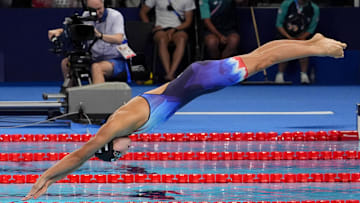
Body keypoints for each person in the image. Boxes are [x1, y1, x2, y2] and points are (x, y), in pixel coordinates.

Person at [23, 33, 346, 200]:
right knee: (260, 57)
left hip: (200, 81)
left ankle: (318, 48)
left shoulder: (117, 125)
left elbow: (81, 153)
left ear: (110, 146)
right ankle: (311, 43)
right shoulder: (131, 122)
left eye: (116, 154)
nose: (125, 153)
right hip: (195, 80)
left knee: (265, 59)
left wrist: (47, 177)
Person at [48, 0, 129, 87]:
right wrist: (59, 31)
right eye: (93, 10)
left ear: (103, 3)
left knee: (96, 67)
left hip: (115, 59)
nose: (97, 13)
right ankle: (71, 96)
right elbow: (76, 31)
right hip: (93, 58)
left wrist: (100, 35)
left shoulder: (115, 16)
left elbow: (119, 39)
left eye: (99, 9)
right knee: (66, 63)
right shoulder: (86, 15)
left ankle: (98, 99)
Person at [139, 0, 196, 81]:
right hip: (160, 28)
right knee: (162, 39)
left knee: (181, 39)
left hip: (178, 28)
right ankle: (168, 72)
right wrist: (151, 26)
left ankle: (171, 73)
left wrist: (174, 29)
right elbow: (143, 12)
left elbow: (188, 21)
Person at [274, 0, 320, 84]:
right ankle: (279, 75)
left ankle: (304, 76)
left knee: (304, 49)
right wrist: (289, 38)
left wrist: (301, 38)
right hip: (285, 35)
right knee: (284, 49)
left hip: (302, 36)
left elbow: (311, 28)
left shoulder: (314, 8)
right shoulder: (286, 4)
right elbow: (279, 24)